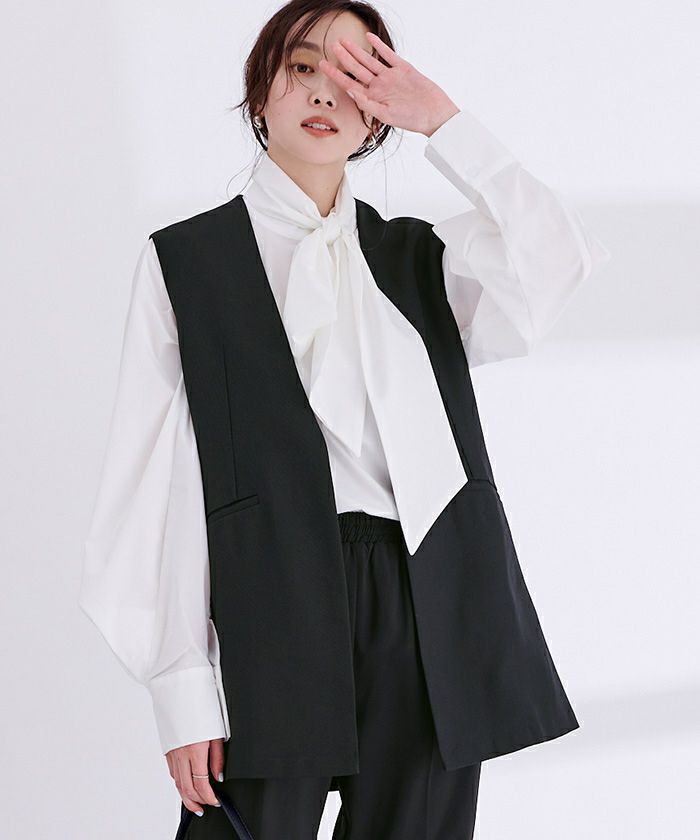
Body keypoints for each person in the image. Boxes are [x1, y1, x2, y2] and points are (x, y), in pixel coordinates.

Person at [79, 1, 610, 838]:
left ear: (377, 115)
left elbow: (558, 258)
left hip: (424, 602)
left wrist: (445, 124)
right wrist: (180, 686)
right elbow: (152, 482)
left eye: (357, 76)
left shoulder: (423, 260)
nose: (325, 91)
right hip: (264, 602)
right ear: (261, 90)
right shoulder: (187, 262)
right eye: (302, 66)